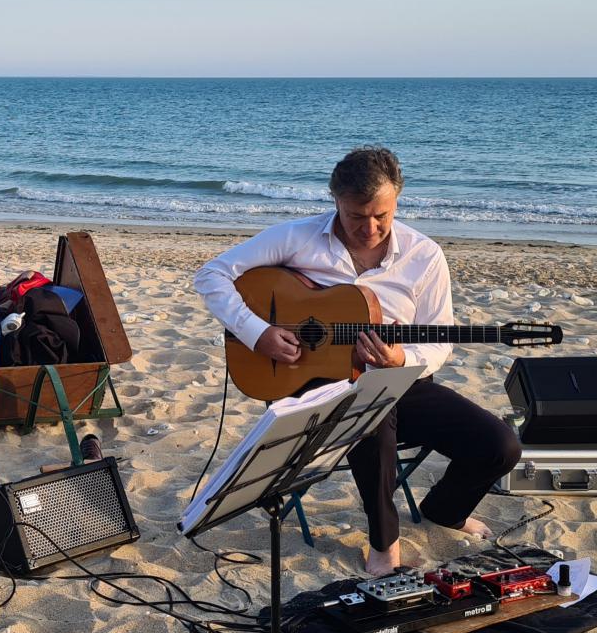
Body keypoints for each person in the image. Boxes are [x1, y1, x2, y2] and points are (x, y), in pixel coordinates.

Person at [193, 146, 522, 575]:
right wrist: (259, 335)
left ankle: (446, 510)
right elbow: (211, 275)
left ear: (398, 200)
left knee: (500, 445)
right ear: (335, 202)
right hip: (313, 386)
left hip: (400, 382)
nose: (369, 228)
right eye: (355, 216)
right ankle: (384, 545)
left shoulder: (425, 256)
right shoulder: (296, 237)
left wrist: (399, 355)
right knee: (371, 420)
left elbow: (440, 339)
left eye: (381, 216)